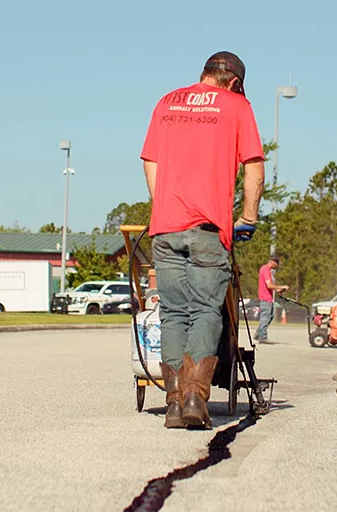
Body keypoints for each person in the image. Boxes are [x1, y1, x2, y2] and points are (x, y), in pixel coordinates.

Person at [140, 51, 265, 429]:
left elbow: (150, 161)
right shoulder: (237, 106)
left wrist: (163, 207)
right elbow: (254, 166)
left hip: (166, 228)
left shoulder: (167, 102)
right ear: (234, 82)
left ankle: (175, 404)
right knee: (207, 311)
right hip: (209, 229)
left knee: (173, 313)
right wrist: (248, 216)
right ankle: (196, 395)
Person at [254, 255, 289, 343]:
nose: (277, 266)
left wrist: (278, 289)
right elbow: (269, 285)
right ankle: (262, 337)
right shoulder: (265, 269)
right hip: (265, 297)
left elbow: (270, 286)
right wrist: (281, 286)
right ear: (273, 262)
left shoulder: (266, 270)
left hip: (269, 297)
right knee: (265, 316)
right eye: (276, 264)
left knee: (270, 316)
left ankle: (258, 333)